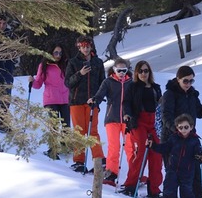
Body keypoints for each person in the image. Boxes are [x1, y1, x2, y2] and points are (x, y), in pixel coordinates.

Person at [160, 65, 202, 198]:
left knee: (195, 177)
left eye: (192, 81)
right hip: (172, 140)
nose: (189, 84)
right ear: (178, 79)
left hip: (190, 141)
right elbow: (166, 116)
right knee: (173, 175)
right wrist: (178, 131)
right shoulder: (170, 94)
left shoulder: (192, 95)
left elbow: (200, 113)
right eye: (186, 81)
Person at [148, 114, 202, 198]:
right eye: (180, 128)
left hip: (187, 172)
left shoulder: (194, 140)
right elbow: (164, 148)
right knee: (169, 187)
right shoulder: (174, 138)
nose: (183, 130)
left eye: (186, 127)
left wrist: (200, 157)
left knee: (187, 193)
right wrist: (153, 146)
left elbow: (199, 154)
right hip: (173, 169)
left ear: (191, 127)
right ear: (177, 128)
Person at [88, 58, 134, 187]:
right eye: (118, 70)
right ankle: (111, 173)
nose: (121, 72)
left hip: (127, 119)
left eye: (124, 70)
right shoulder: (108, 82)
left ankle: (134, 173)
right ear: (114, 70)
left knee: (130, 147)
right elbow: (100, 95)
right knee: (114, 147)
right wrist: (95, 101)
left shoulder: (131, 83)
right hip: (112, 118)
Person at [122, 60, 163, 198]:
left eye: (146, 71)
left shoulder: (156, 88)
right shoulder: (133, 87)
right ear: (136, 73)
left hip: (154, 122)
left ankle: (154, 190)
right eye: (141, 71)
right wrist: (127, 114)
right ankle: (130, 185)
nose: (143, 74)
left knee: (156, 154)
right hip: (139, 121)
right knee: (141, 152)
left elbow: (160, 105)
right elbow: (126, 102)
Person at [64, 36, 106, 172]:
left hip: (92, 102)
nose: (86, 48)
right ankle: (79, 161)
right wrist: (80, 73)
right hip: (76, 101)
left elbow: (103, 83)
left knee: (93, 131)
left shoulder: (98, 62)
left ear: (91, 46)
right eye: (83, 46)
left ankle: (98, 159)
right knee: (79, 132)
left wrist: (98, 99)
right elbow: (68, 83)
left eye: (88, 46)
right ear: (79, 47)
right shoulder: (73, 62)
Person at [29, 44, 70, 159]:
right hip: (51, 99)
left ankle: (64, 146)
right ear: (50, 53)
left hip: (65, 99)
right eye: (56, 53)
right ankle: (53, 150)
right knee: (54, 125)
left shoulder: (65, 65)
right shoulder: (44, 65)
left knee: (66, 125)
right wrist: (32, 82)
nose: (58, 56)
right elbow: (38, 84)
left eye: (60, 53)